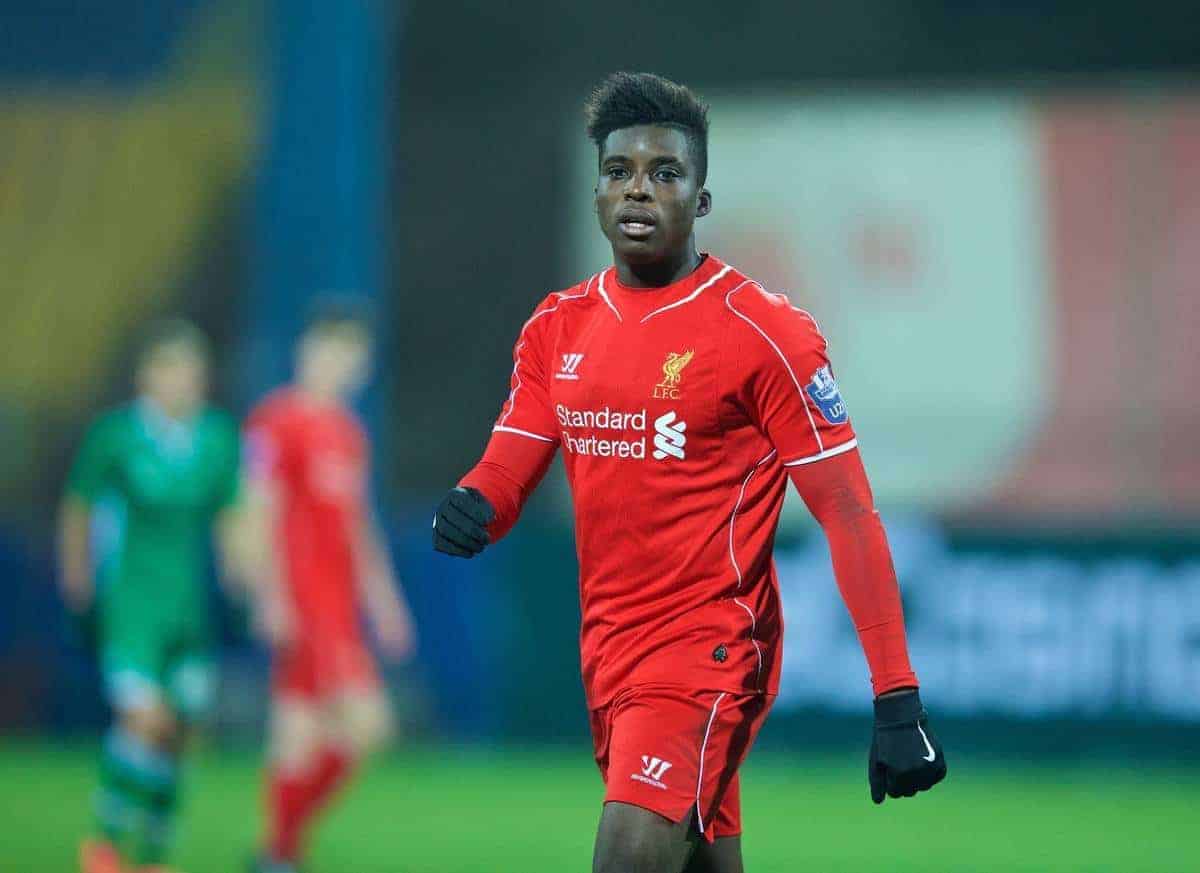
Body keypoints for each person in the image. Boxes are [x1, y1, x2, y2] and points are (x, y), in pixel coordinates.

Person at [432, 72, 947, 873]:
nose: (638, 189)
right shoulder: (557, 327)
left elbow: (848, 511)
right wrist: (471, 505)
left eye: (665, 174)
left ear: (701, 201)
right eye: (618, 172)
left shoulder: (762, 333)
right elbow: (509, 467)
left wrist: (896, 693)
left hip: (712, 651)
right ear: (598, 193)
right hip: (610, 652)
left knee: (625, 857)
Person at [60, 319, 244, 873]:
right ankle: (105, 845)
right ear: (148, 376)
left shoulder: (216, 438)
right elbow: (79, 505)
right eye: (174, 370)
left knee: (180, 731)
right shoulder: (116, 436)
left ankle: (153, 855)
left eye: (193, 371)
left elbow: (232, 513)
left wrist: (243, 574)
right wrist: (77, 573)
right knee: (143, 718)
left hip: (186, 608)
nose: (185, 382)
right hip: (130, 604)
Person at [244, 302, 416, 873]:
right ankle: (280, 849)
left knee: (299, 734)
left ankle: (278, 852)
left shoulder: (348, 433)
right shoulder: (275, 422)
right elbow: (257, 511)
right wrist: (269, 595)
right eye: (334, 351)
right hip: (303, 601)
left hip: (339, 605)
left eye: (354, 358)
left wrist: (385, 603)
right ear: (308, 351)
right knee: (367, 725)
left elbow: (359, 526)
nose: (343, 366)